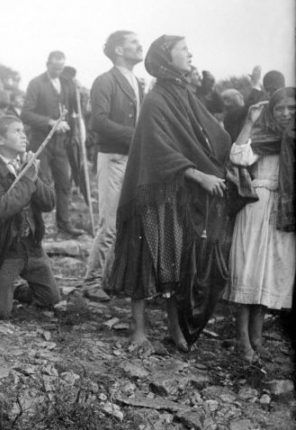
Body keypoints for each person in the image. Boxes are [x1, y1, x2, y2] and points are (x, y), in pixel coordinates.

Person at [107, 35, 235, 355]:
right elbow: (158, 148)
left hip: (178, 191)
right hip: (154, 189)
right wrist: (199, 174)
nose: (190, 54)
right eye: (183, 50)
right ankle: (138, 329)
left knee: (176, 258)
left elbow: (208, 135)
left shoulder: (184, 94)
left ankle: (174, 327)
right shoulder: (156, 100)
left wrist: (222, 161)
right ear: (166, 57)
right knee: (146, 255)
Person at [226, 87, 295, 362]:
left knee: (269, 272)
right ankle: (241, 339)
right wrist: (249, 122)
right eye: (280, 108)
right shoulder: (264, 135)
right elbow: (238, 157)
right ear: (271, 111)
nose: (286, 113)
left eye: (292, 108)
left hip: (285, 210)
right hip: (258, 203)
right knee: (250, 269)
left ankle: (257, 337)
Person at [0, 116, 61, 320]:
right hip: (6, 249)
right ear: (0, 140)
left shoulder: (30, 164)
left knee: (51, 298)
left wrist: (33, 176)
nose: (24, 135)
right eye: (17, 131)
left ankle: (17, 291)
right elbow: (3, 208)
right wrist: (28, 178)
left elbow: (49, 203)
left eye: (23, 130)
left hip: (32, 246)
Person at [82, 31, 144, 303]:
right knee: (109, 224)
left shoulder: (137, 82)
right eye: (133, 42)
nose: (140, 46)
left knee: (128, 223)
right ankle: (91, 281)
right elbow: (98, 121)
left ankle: (113, 279)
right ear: (119, 50)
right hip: (113, 158)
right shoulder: (104, 81)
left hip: (133, 159)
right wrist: (137, 136)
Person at [21, 51, 85, 237]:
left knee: (64, 183)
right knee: (40, 183)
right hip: (41, 141)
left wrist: (80, 92)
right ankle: (36, 227)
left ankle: (64, 224)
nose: (58, 71)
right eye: (55, 67)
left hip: (61, 143)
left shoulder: (67, 84)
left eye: (61, 68)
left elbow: (76, 108)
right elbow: (25, 114)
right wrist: (50, 122)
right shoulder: (36, 83)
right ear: (47, 64)